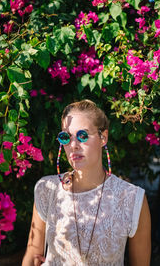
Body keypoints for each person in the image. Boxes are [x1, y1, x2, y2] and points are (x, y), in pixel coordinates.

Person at [22, 99, 151, 266]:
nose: (74, 145)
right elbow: (32, 254)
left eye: (82, 135)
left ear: (103, 137)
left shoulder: (133, 199)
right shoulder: (47, 189)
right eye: (66, 137)